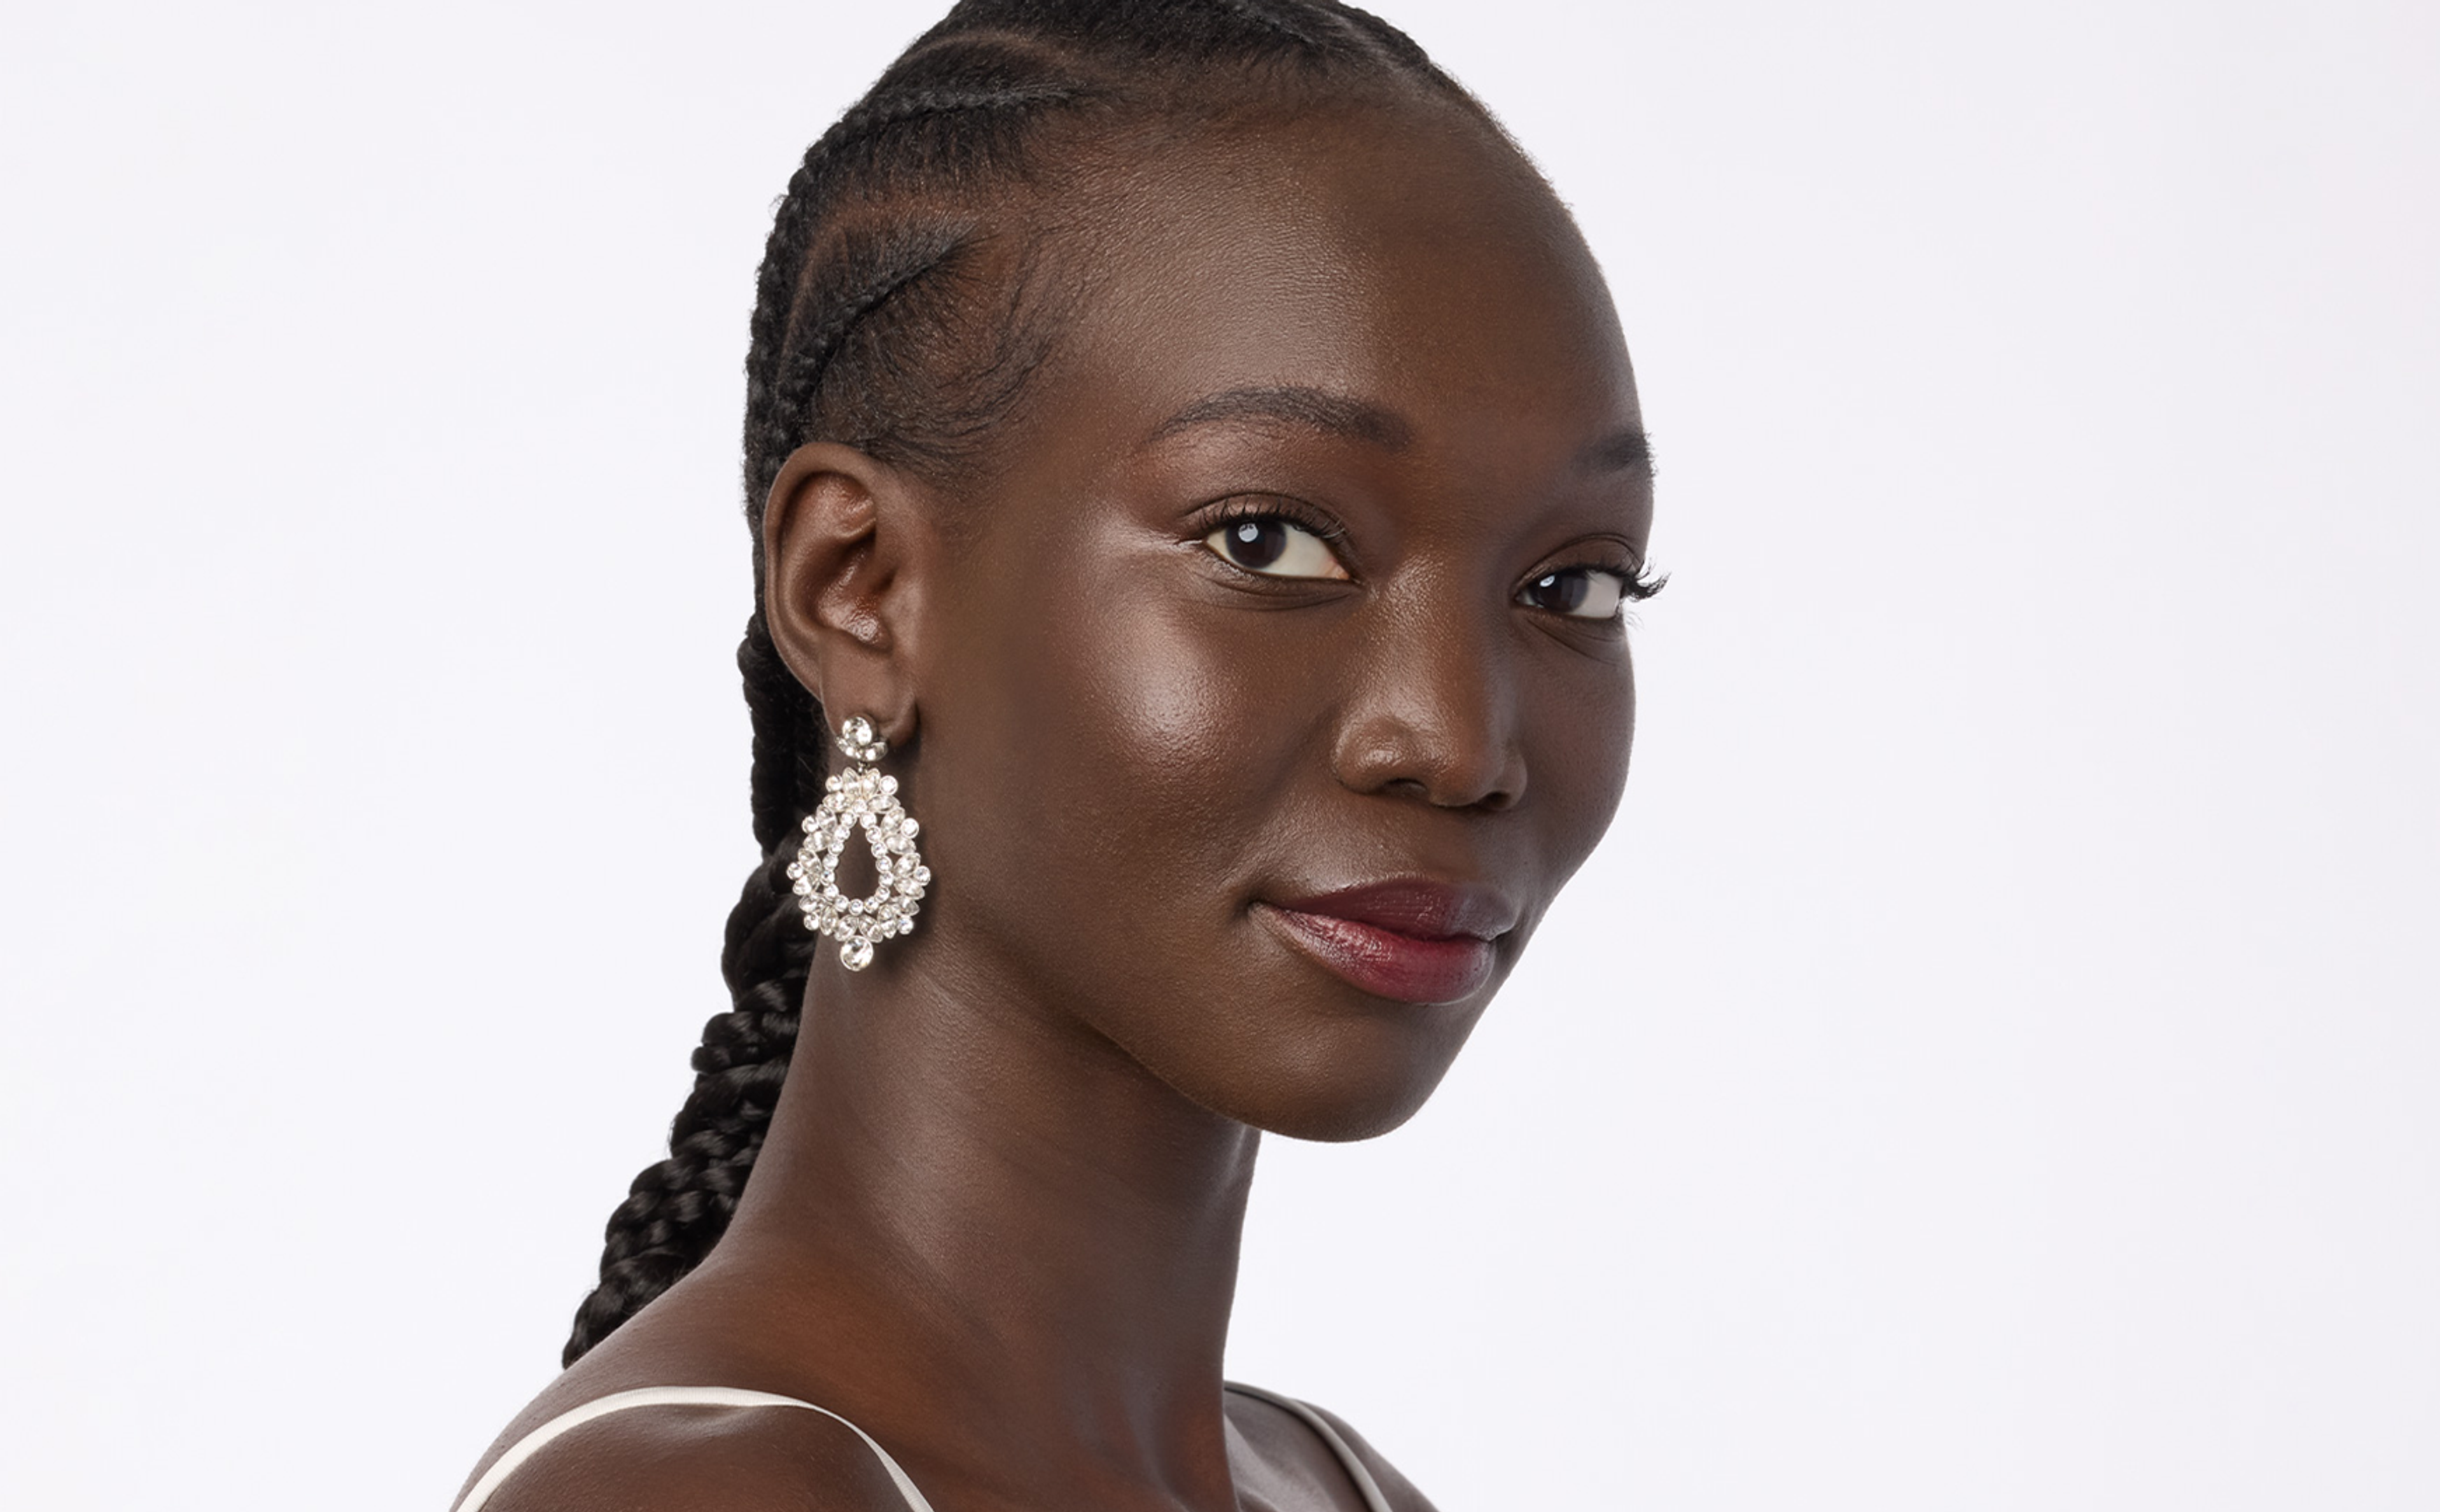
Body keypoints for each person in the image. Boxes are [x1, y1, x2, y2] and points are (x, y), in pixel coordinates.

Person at [453, 1, 1658, 1506]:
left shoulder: (1337, 1485)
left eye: (1576, 588)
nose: (1463, 742)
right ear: (863, 588)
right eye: (1268, 541)